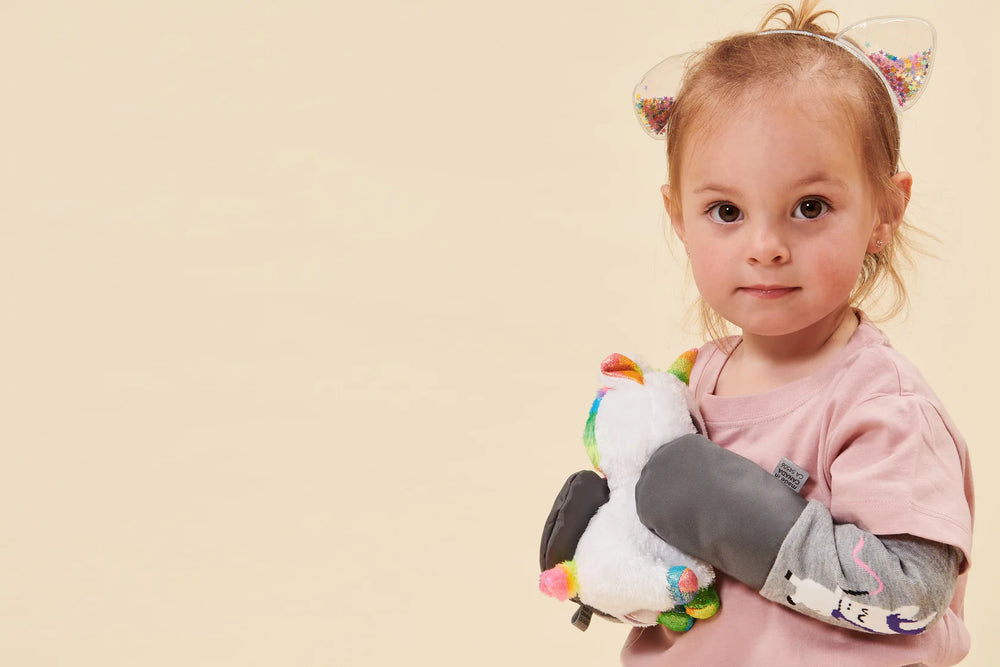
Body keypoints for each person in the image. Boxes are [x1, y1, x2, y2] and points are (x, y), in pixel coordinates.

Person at [539, 2, 973, 665]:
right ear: (678, 216)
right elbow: (683, 589)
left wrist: (749, 523)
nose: (765, 245)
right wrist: (617, 546)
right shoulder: (691, 387)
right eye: (726, 211)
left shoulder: (881, 404)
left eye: (810, 207)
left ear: (885, 209)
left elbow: (911, 595)